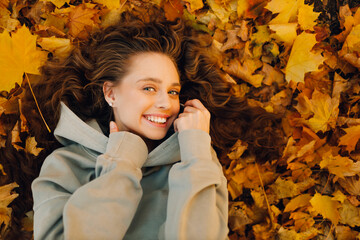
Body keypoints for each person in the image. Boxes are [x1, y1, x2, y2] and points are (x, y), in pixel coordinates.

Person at [17, 5, 284, 240]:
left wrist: (197, 150)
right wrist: (123, 161)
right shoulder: (64, 166)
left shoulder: (195, 159)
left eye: (173, 91)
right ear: (111, 93)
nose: (166, 104)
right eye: (148, 88)